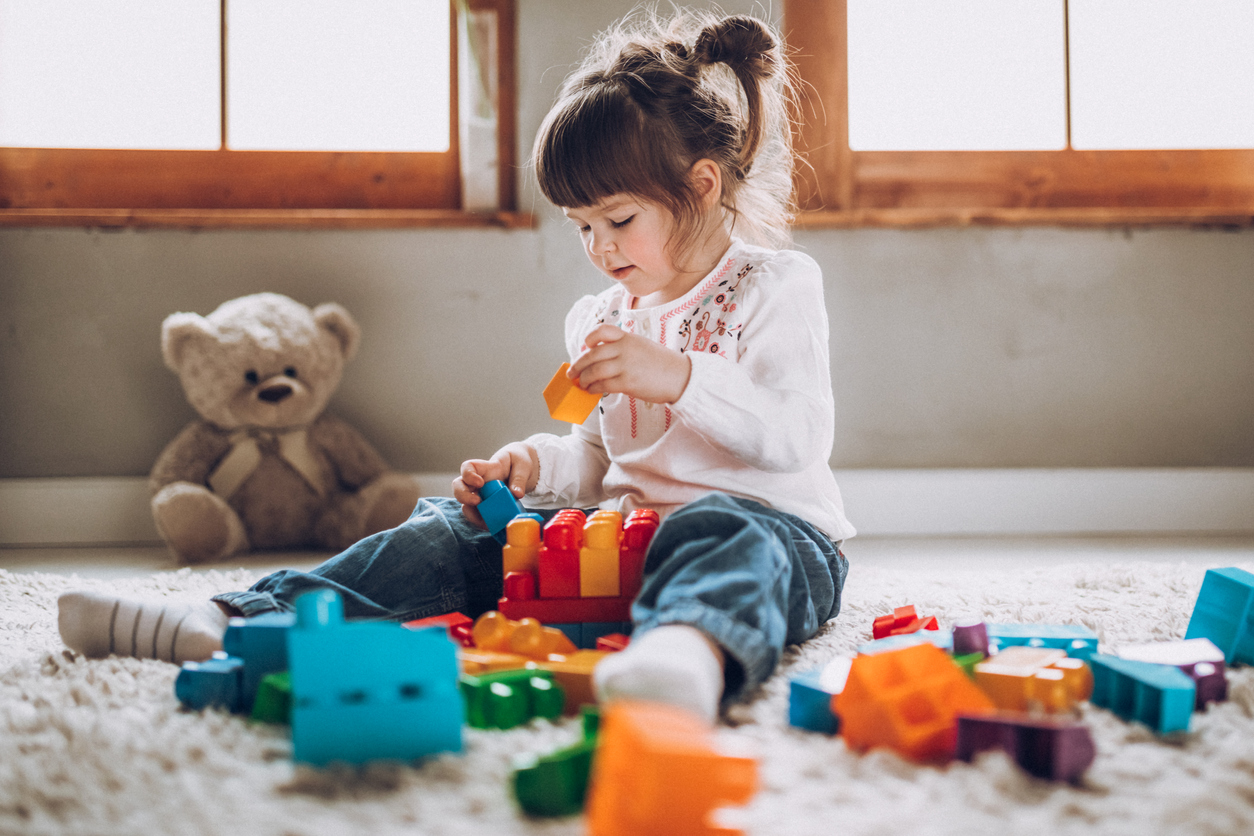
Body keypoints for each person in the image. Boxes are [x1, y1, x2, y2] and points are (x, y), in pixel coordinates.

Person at [58, 8, 854, 724]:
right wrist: (529, 464)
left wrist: (677, 376)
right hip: (626, 541)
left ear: (702, 185)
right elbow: (596, 458)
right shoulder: (600, 317)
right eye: (581, 227)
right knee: (450, 529)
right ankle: (234, 619)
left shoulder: (776, 287)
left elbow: (794, 437)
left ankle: (684, 656)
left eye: (618, 219)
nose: (600, 248)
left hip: (775, 538)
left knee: (724, 529)